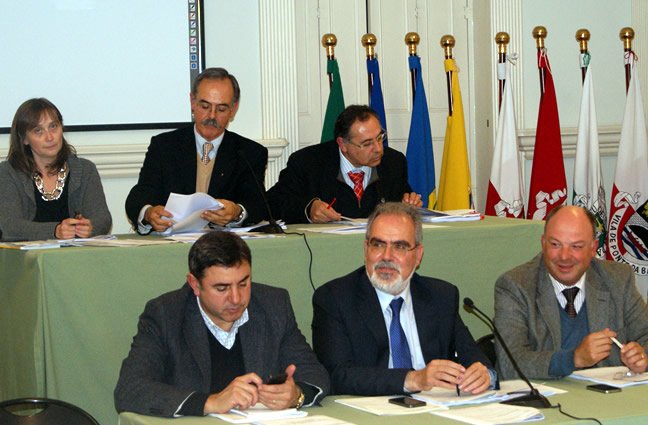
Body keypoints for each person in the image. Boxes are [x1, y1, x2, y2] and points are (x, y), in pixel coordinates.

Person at [114, 231, 329, 417]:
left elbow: (314, 373)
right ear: (195, 285)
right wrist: (211, 402)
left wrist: (296, 395)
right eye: (222, 288)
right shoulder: (165, 315)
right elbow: (130, 389)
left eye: (244, 283)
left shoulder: (274, 305)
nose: (236, 298)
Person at [312, 202, 494, 395]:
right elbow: (336, 375)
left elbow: (474, 357)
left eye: (400, 246)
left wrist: (485, 374)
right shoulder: (335, 298)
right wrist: (412, 379)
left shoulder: (441, 296)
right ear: (366, 249)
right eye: (378, 244)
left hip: (435, 409)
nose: (387, 256)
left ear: (418, 256)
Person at [494, 205, 648, 380]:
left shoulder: (618, 279)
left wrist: (642, 356)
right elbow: (510, 364)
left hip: (609, 398)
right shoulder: (516, 285)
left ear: (593, 248)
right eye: (555, 244)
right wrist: (573, 358)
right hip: (546, 398)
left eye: (576, 246)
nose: (564, 256)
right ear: (543, 243)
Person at [125, 67, 268, 234]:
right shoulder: (164, 146)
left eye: (221, 109)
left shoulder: (249, 152)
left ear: (233, 109)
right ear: (192, 102)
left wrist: (237, 212)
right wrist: (149, 213)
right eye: (205, 106)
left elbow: (257, 204)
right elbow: (139, 196)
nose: (212, 116)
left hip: (224, 246)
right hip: (173, 243)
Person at [266, 105, 422, 224]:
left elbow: (402, 195)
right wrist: (308, 209)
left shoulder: (393, 162)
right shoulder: (308, 162)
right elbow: (273, 203)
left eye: (380, 138)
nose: (378, 149)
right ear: (343, 144)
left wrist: (408, 202)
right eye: (367, 143)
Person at [0, 98, 112, 241]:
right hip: (26, 261)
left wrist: (89, 227)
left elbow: (103, 219)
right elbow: (8, 226)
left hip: (75, 258)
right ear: (24, 139)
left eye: (53, 126)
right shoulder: (7, 173)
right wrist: (55, 231)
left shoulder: (85, 169)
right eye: (38, 131)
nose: (49, 137)